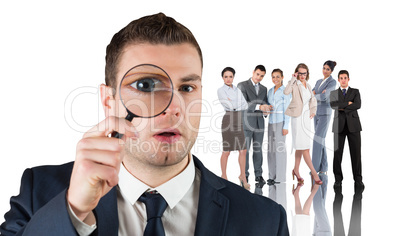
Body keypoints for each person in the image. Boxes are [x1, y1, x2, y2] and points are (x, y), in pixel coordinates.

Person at [0, 13, 289, 236]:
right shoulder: (41, 193)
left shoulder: (264, 219)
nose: (174, 108)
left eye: (187, 88)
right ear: (109, 99)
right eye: (146, 85)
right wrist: (73, 212)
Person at [284, 63, 322, 188]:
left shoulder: (308, 85)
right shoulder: (294, 83)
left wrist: (313, 111)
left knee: (300, 147)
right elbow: (286, 92)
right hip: (297, 117)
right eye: (300, 73)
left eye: (304, 73)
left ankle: (296, 170)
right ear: (297, 73)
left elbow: (312, 99)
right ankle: (314, 174)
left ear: (307, 74)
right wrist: (293, 78)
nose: (302, 75)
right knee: (304, 148)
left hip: (306, 118)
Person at [217, 67, 250, 190]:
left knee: (243, 149)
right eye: (226, 76)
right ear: (222, 78)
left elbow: (244, 104)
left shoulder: (237, 90)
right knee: (227, 151)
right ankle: (224, 176)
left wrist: (235, 104)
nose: (228, 79)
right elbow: (229, 105)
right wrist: (236, 104)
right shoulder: (220, 90)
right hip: (228, 120)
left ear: (233, 77)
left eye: (230, 76)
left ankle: (243, 176)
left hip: (239, 119)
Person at [330, 70, 364, 190]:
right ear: (338, 80)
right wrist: (348, 104)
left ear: (348, 79)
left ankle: (358, 180)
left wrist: (342, 106)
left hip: (354, 126)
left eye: (345, 78)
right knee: (337, 155)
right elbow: (333, 105)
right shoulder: (333, 93)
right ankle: (338, 180)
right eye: (341, 78)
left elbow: (358, 105)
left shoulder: (355, 92)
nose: (343, 80)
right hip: (338, 127)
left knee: (356, 154)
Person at [237, 65, 270, 188]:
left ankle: (258, 175)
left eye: (262, 76)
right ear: (253, 72)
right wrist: (259, 107)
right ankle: (243, 175)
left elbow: (265, 102)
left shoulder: (264, 88)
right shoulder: (242, 85)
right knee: (244, 151)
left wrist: (266, 109)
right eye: (258, 74)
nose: (259, 78)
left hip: (259, 123)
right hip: (246, 122)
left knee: (258, 150)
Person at [266, 69, 291, 185]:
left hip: (281, 121)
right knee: (271, 150)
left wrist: (286, 126)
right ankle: (272, 176)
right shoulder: (270, 91)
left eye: (277, 77)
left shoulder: (285, 91)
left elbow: (287, 109)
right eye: (273, 77)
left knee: (280, 149)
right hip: (271, 121)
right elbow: (267, 106)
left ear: (282, 77)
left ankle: (280, 177)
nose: (275, 79)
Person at [311, 60, 337, 175]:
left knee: (317, 140)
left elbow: (325, 97)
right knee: (321, 140)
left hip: (325, 114)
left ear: (331, 71)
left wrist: (316, 95)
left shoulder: (332, 82)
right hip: (316, 113)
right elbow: (310, 94)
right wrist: (317, 95)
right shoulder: (318, 81)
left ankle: (314, 169)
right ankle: (324, 168)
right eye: (324, 68)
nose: (325, 71)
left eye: (327, 69)